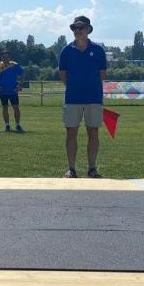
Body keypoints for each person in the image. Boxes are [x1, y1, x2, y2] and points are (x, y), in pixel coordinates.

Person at [58, 16, 107, 178]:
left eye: (81, 27)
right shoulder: (66, 51)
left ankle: (92, 168)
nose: (77, 31)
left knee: (93, 132)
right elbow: (63, 75)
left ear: (88, 29)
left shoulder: (98, 50)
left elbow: (102, 74)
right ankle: (71, 169)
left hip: (94, 98)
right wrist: (76, 87)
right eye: (74, 28)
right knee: (71, 132)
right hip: (72, 98)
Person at [0, 49, 25, 132]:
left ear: (10, 57)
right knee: (5, 108)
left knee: (16, 107)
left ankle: (18, 125)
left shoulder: (15, 65)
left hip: (13, 90)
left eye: (7, 57)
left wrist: (20, 85)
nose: (5, 58)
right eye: (4, 57)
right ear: (1, 57)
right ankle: (7, 125)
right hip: (3, 91)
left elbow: (22, 74)